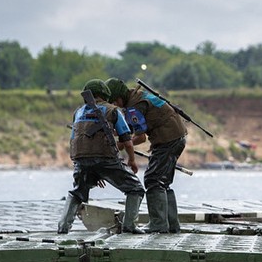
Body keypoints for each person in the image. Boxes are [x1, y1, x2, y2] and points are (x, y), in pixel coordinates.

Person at [58, 79, 145, 234]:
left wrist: (93, 171)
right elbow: (127, 140)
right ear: (105, 94)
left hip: (80, 160)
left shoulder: (78, 112)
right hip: (106, 159)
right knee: (136, 189)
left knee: (77, 192)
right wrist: (131, 160)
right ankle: (129, 226)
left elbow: (74, 139)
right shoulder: (113, 111)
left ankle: (63, 227)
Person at [106, 78, 187, 233]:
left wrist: (122, 144)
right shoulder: (138, 95)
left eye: (114, 102)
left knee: (153, 179)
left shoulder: (133, 108)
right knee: (163, 182)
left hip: (168, 139)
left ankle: (158, 224)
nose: (115, 106)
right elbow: (135, 127)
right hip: (177, 135)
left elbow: (141, 137)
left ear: (119, 98)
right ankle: (171, 224)